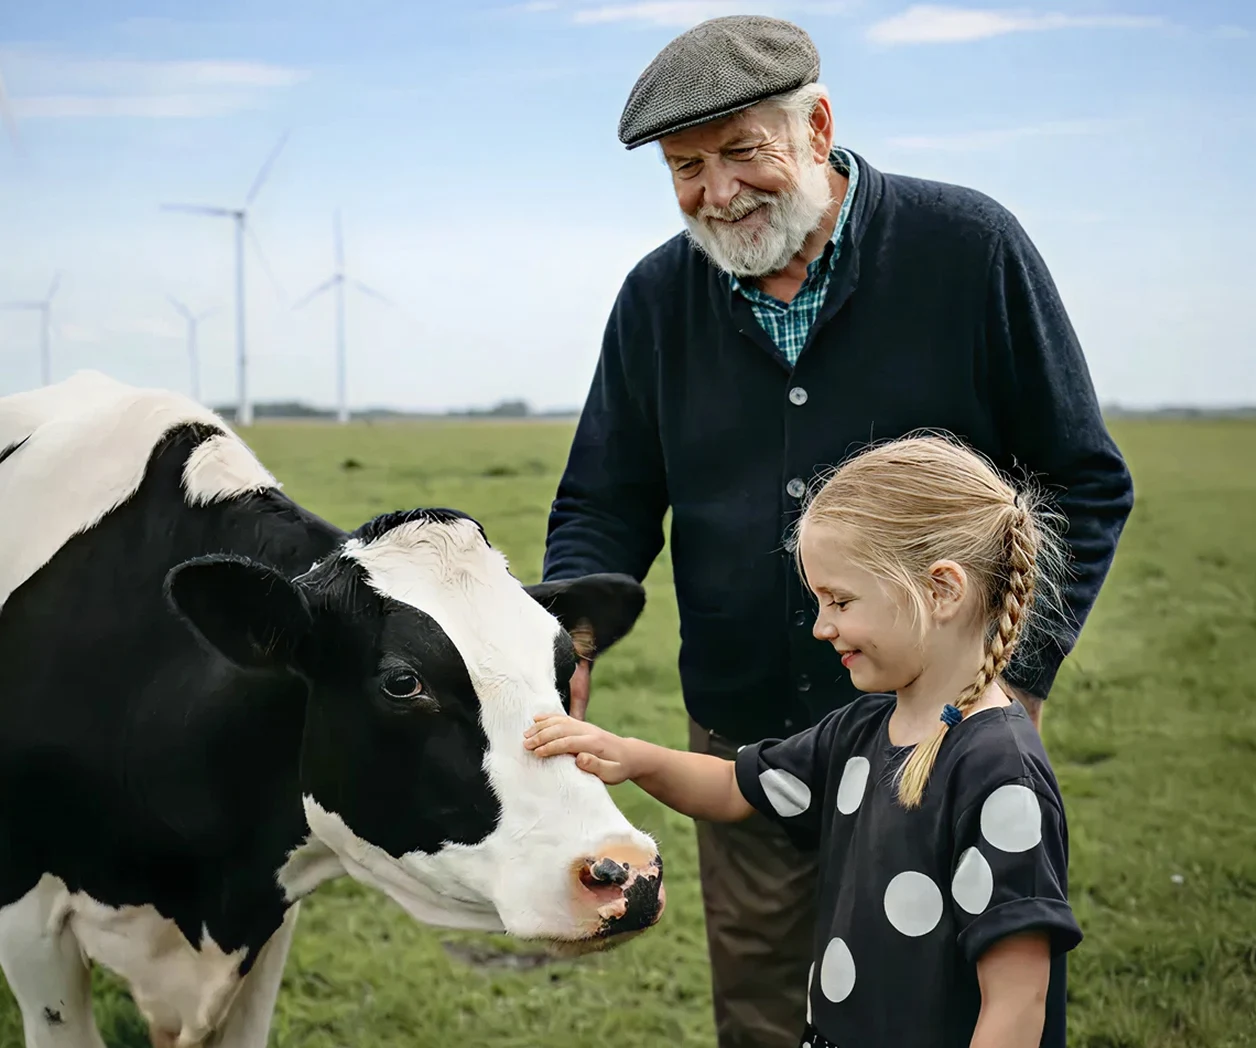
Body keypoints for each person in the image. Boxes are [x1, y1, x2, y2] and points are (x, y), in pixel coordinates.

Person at [540, 13, 1133, 1047]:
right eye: (685, 167)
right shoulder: (653, 299)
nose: (715, 193)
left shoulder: (969, 249)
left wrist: (1018, 674)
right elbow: (603, 498)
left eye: (739, 152)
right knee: (769, 1009)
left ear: (815, 126)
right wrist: (572, 635)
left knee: (951, 995)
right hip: (743, 736)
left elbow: (1078, 477)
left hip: (937, 742)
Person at [529, 434, 1084, 1048]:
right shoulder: (862, 730)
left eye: (840, 601)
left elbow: (1018, 1001)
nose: (822, 627)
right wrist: (632, 757)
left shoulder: (999, 771)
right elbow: (735, 788)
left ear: (942, 591)